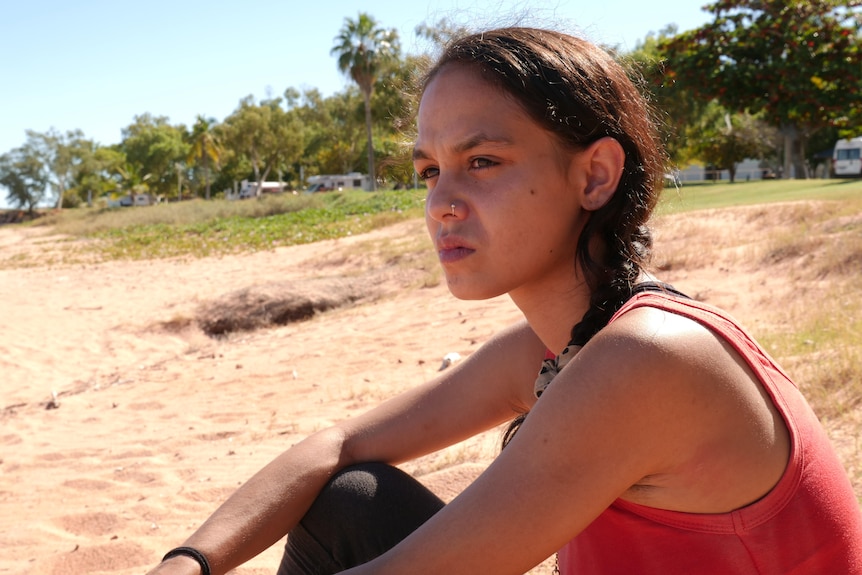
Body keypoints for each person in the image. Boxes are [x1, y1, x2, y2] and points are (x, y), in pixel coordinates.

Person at [148, 27, 862, 575]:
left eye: (481, 161)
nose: (441, 204)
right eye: (430, 170)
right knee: (350, 497)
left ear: (596, 175)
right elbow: (335, 445)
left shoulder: (649, 359)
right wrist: (189, 561)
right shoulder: (559, 344)